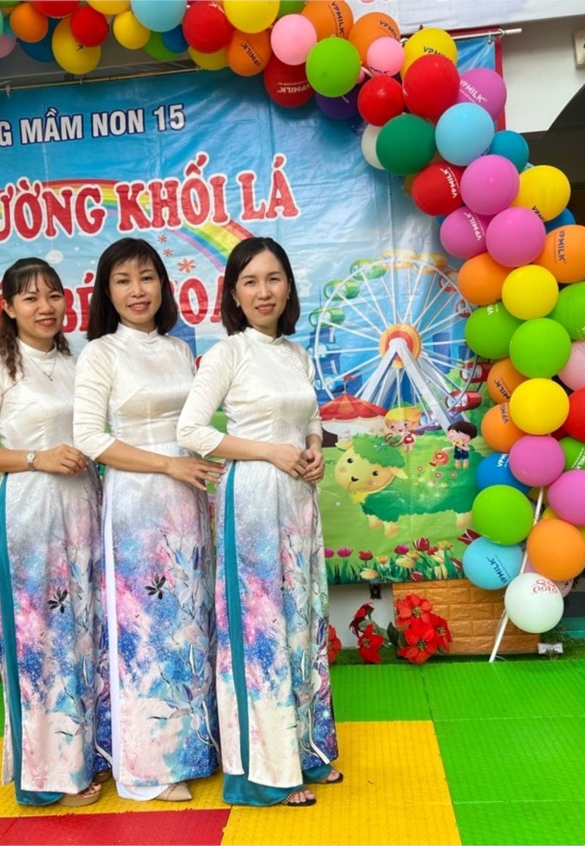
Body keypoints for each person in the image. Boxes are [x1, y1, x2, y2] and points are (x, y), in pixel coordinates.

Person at [177, 237, 340, 808]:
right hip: (250, 501)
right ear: (234, 294)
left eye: (273, 278)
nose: (263, 291)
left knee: (301, 621)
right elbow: (191, 431)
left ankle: (305, 749)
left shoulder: (295, 354)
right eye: (250, 281)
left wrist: (314, 448)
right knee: (260, 632)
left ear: (288, 286)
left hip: (298, 501)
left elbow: (310, 418)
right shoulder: (228, 353)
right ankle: (265, 772)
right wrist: (269, 451)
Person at [0, 257, 110, 807]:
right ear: (8, 308)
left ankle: (91, 753)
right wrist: (35, 457)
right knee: (42, 639)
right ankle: (48, 776)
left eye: (54, 295)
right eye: (30, 297)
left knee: (87, 632)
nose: (46, 307)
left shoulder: (78, 363)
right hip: (31, 512)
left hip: (85, 507)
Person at [73, 238, 221, 804]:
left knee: (189, 622)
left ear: (163, 284)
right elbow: (90, 438)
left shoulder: (180, 350)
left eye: (147, 277)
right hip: (137, 501)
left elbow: (194, 426)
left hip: (187, 499)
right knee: (147, 629)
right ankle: (148, 767)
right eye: (123, 281)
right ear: (107, 293)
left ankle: (193, 747)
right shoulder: (101, 353)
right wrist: (166, 464)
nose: (137, 291)